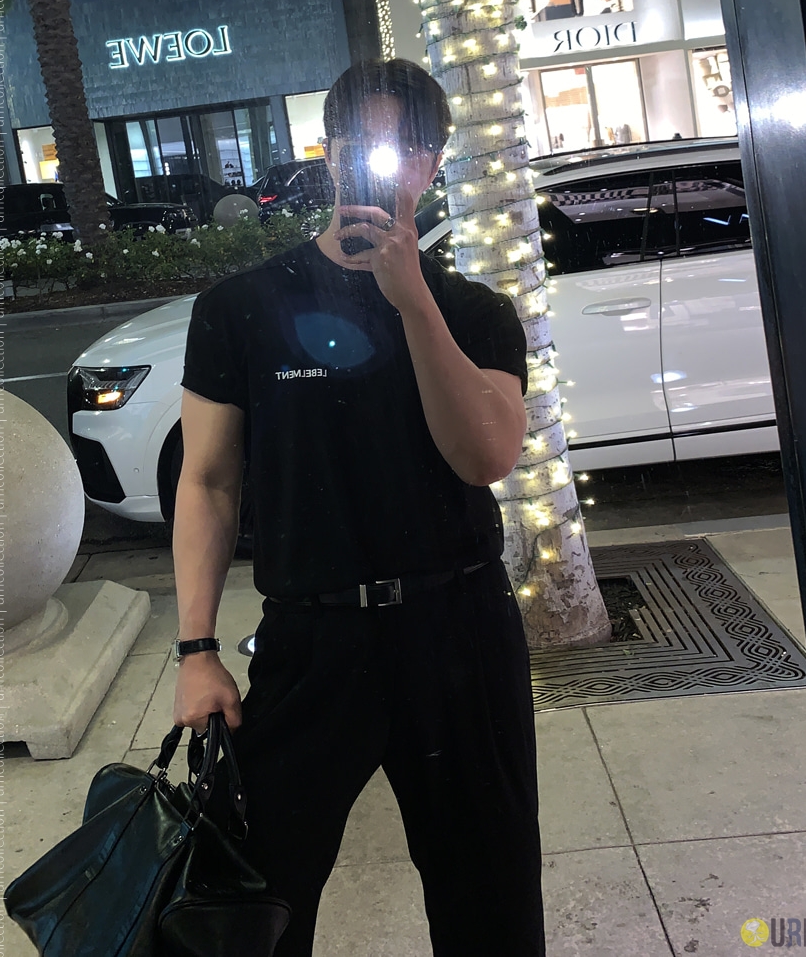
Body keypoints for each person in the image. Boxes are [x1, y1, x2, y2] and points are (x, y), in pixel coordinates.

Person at [172, 57, 545, 956]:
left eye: (409, 145)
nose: (387, 161)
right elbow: (208, 481)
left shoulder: (475, 311)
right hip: (312, 640)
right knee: (255, 903)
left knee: (491, 901)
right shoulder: (239, 309)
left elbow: (485, 455)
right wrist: (196, 649)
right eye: (366, 141)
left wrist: (413, 303)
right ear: (330, 151)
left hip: (459, 634)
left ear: (435, 162)